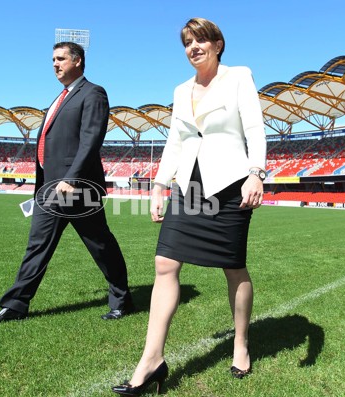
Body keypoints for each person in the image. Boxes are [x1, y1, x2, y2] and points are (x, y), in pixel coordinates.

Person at [112, 18, 266, 395]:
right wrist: (159, 184)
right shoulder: (181, 90)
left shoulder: (239, 76)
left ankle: (241, 342)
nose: (192, 47)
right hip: (188, 185)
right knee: (165, 263)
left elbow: (254, 128)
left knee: (233, 268)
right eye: (186, 42)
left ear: (217, 44)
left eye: (199, 40)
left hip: (230, 184)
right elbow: (175, 141)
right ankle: (151, 360)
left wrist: (256, 172)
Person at [0, 42, 133, 324]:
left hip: (77, 188)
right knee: (37, 245)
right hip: (50, 188)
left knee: (100, 244)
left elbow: (91, 139)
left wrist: (71, 179)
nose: (54, 64)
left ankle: (121, 299)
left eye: (60, 58)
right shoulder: (59, 98)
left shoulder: (93, 93)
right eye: (53, 59)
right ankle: (14, 306)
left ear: (78, 61)